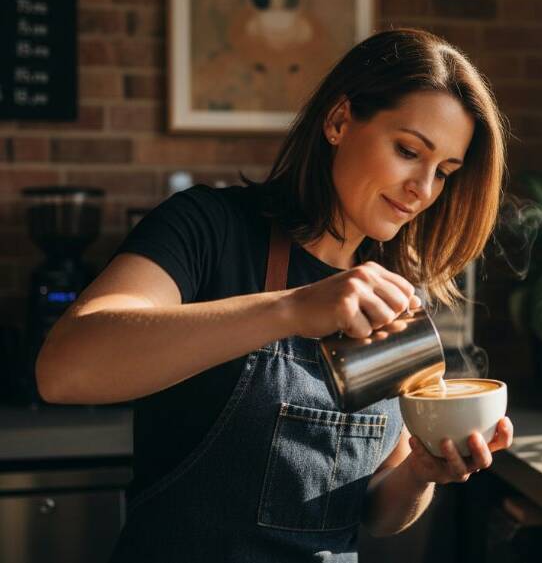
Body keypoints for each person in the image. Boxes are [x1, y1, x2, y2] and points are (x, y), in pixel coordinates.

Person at [35, 28, 514, 562]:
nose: (423, 189)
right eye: (408, 151)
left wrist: (422, 473)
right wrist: (292, 307)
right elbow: (64, 368)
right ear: (338, 121)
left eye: (444, 173)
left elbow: (377, 508)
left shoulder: (395, 294)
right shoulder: (210, 229)